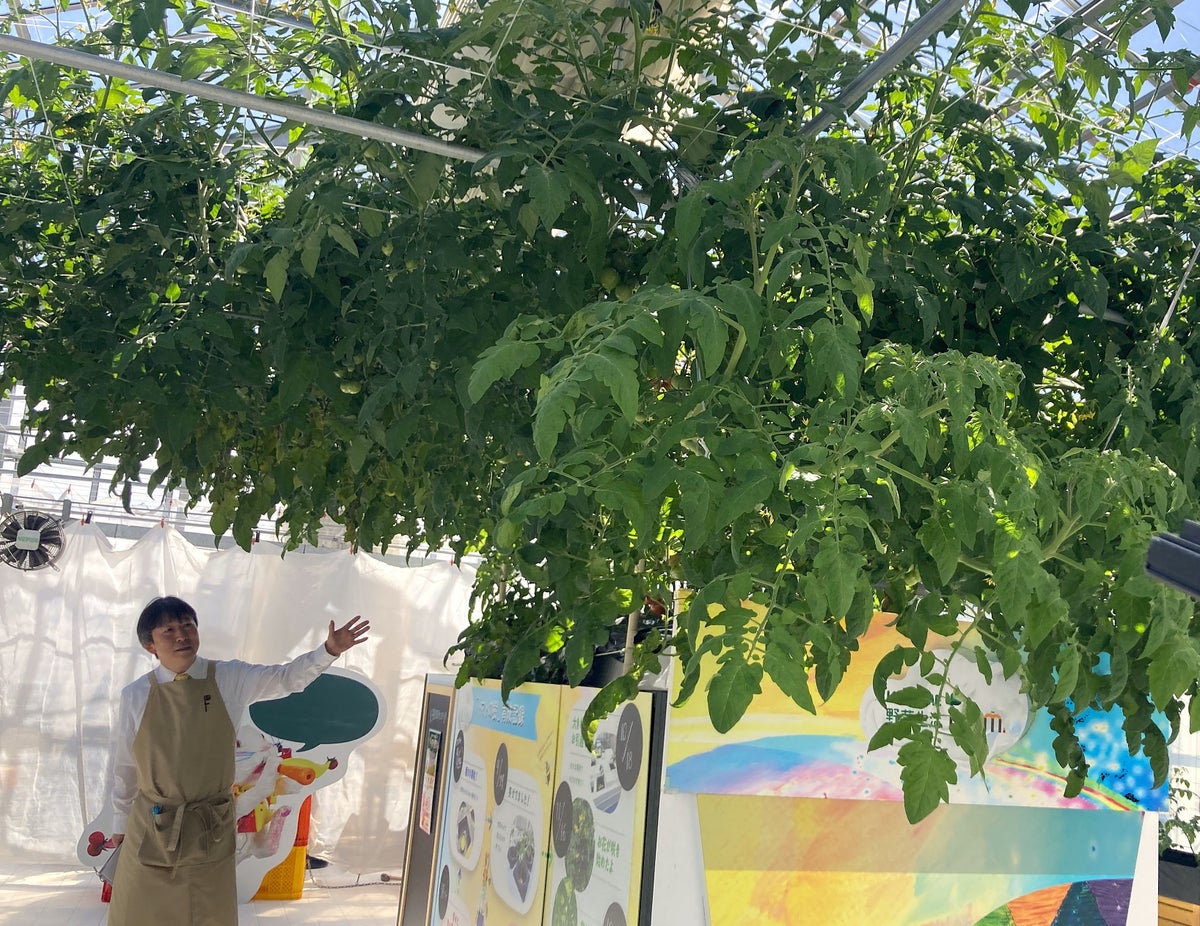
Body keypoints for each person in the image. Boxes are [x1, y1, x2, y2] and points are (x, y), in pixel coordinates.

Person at [105, 595, 370, 925]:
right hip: (153, 823)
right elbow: (125, 767)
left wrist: (328, 651)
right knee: (141, 912)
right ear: (150, 645)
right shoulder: (135, 694)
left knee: (206, 913)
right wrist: (120, 823)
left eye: (188, 625)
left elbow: (286, 678)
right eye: (168, 630)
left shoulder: (228, 677)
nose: (182, 635)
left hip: (209, 823)